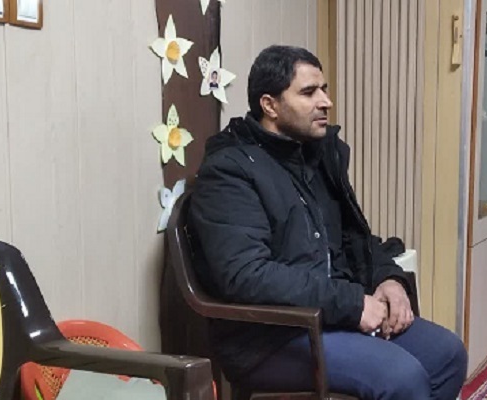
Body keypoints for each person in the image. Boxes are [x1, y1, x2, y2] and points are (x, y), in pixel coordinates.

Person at [189, 45, 467, 400]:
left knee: (447, 355)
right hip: (270, 336)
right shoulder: (230, 170)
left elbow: (354, 236)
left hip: (331, 315)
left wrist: (389, 279)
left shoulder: (317, 156)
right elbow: (246, 275)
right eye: (309, 92)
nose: (326, 102)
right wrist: (352, 304)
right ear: (270, 105)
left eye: (324, 89)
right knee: (402, 376)